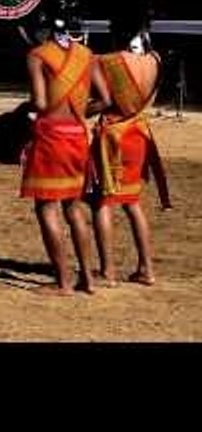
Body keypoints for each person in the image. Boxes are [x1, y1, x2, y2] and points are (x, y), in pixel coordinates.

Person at [21, 5, 111, 295]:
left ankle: (63, 283)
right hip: (77, 138)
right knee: (74, 208)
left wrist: (26, 111)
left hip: (51, 139)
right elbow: (105, 99)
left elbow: (41, 103)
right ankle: (88, 279)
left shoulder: (37, 55)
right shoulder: (88, 55)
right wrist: (79, 113)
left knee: (46, 206)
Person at [87, 18, 171, 287]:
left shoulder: (103, 61)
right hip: (138, 134)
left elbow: (103, 102)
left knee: (103, 202)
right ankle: (146, 268)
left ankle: (108, 271)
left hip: (114, 138)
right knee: (133, 203)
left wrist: (79, 111)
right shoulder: (155, 60)